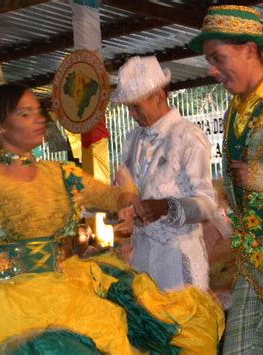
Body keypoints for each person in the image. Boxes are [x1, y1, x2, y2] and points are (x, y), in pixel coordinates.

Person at [0, 84, 224, 354]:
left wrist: (127, 196)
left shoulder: (61, 174)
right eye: (26, 113)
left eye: (38, 112)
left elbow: (112, 195)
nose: (39, 119)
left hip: (65, 295)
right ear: (1, 126)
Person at [189, 5, 263, 354]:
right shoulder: (235, 111)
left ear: (249, 50)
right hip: (252, 268)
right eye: (209, 60)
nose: (213, 70)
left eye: (218, 57)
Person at [111, 56, 216, 292]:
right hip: (141, 263)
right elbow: (125, 190)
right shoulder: (132, 140)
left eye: (136, 106)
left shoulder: (187, 136)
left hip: (179, 266)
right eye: (128, 107)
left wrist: (165, 207)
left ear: (159, 95)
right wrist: (123, 206)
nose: (132, 114)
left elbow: (207, 204)